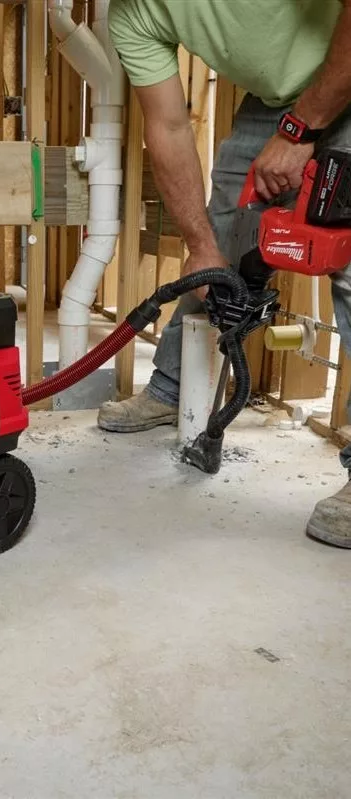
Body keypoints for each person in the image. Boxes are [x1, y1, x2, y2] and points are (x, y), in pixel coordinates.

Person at [98, 0, 351, 547]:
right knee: (219, 241)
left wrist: (298, 130)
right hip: (274, 101)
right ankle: (173, 388)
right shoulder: (131, 14)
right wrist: (200, 248)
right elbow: (167, 126)